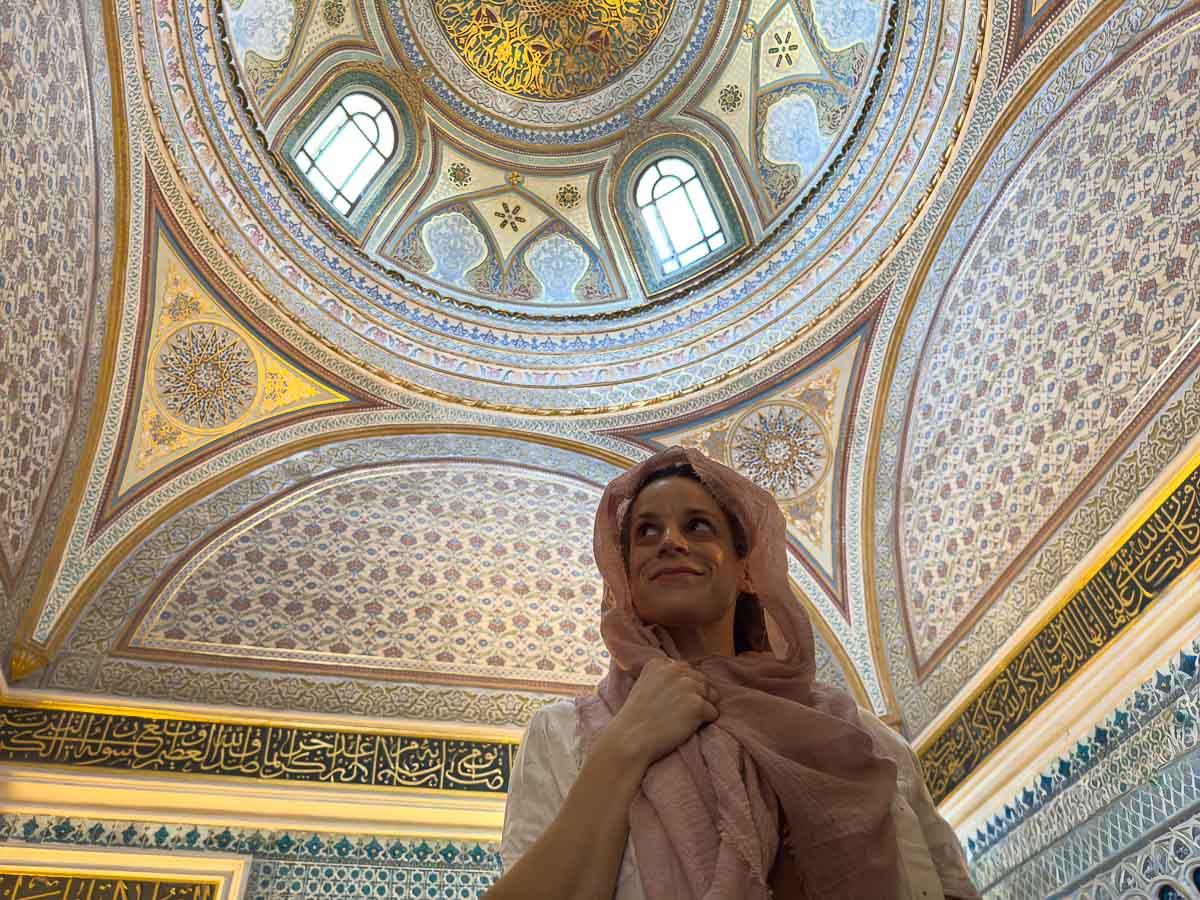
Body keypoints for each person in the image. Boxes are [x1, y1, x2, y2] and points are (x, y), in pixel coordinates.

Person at [486, 446, 980, 900]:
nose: (670, 543)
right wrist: (624, 748)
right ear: (625, 577)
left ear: (747, 571)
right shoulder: (566, 736)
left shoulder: (859, 737)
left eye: (698, 526)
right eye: (646, 532)